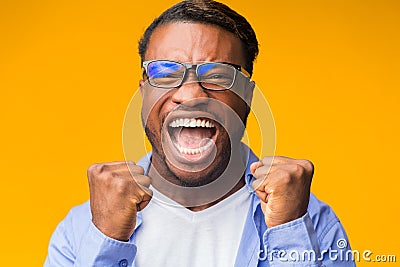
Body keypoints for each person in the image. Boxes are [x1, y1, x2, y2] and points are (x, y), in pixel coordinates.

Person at [45, 1, 355, 266]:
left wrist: (289, 233)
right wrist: (106, 242)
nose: (191, 94)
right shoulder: (84, 228)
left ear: (247, 96)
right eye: (165, 72)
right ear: (143, 90)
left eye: (219, 75)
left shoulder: (311, 224)